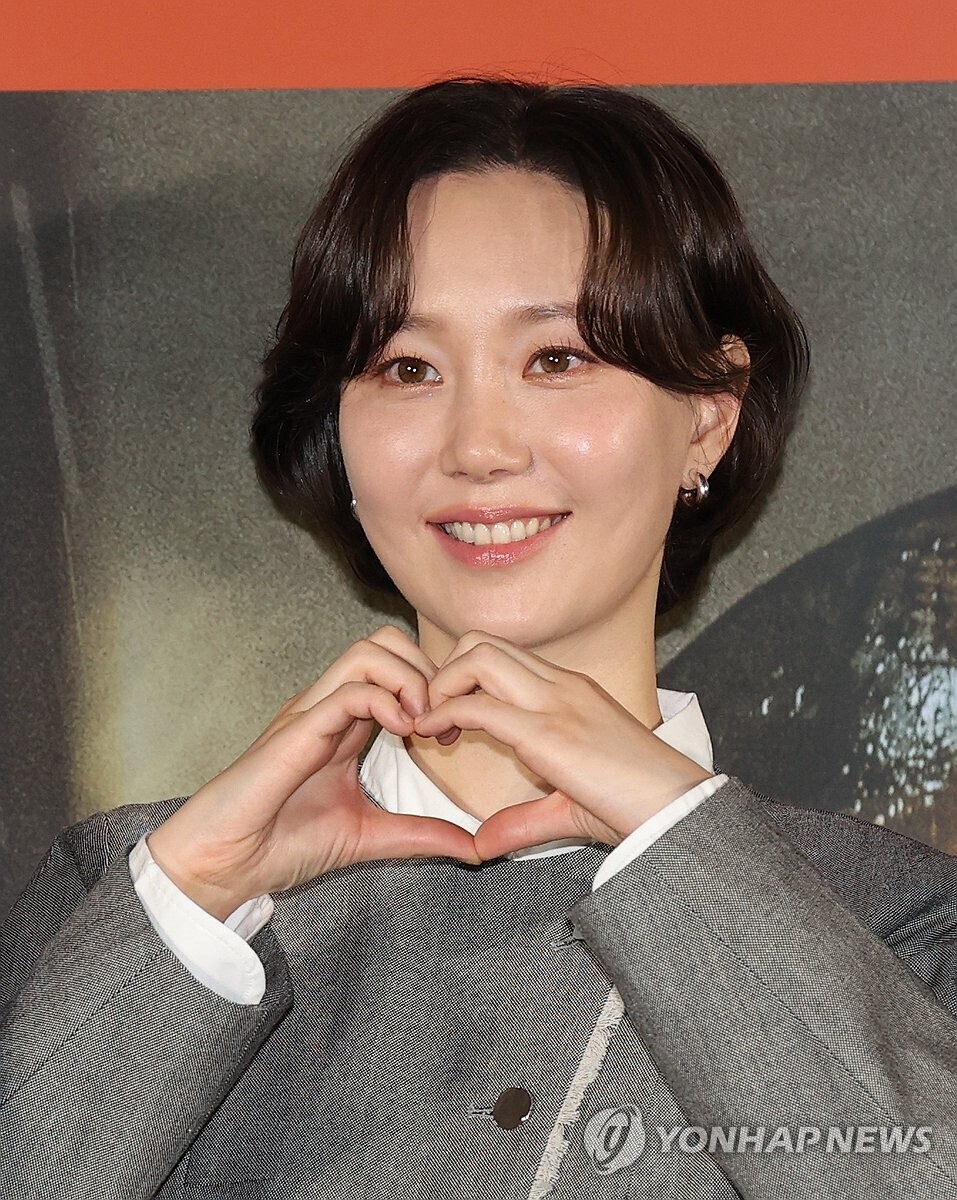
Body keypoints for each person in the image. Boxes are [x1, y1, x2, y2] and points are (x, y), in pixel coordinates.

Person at [1, 75, 955, 1200]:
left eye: (556, 359)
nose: (478, 446)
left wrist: (674, 836)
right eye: (408, 368)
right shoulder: (139, 903)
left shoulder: (890, 917)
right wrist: (191, 896)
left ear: (708, 416)